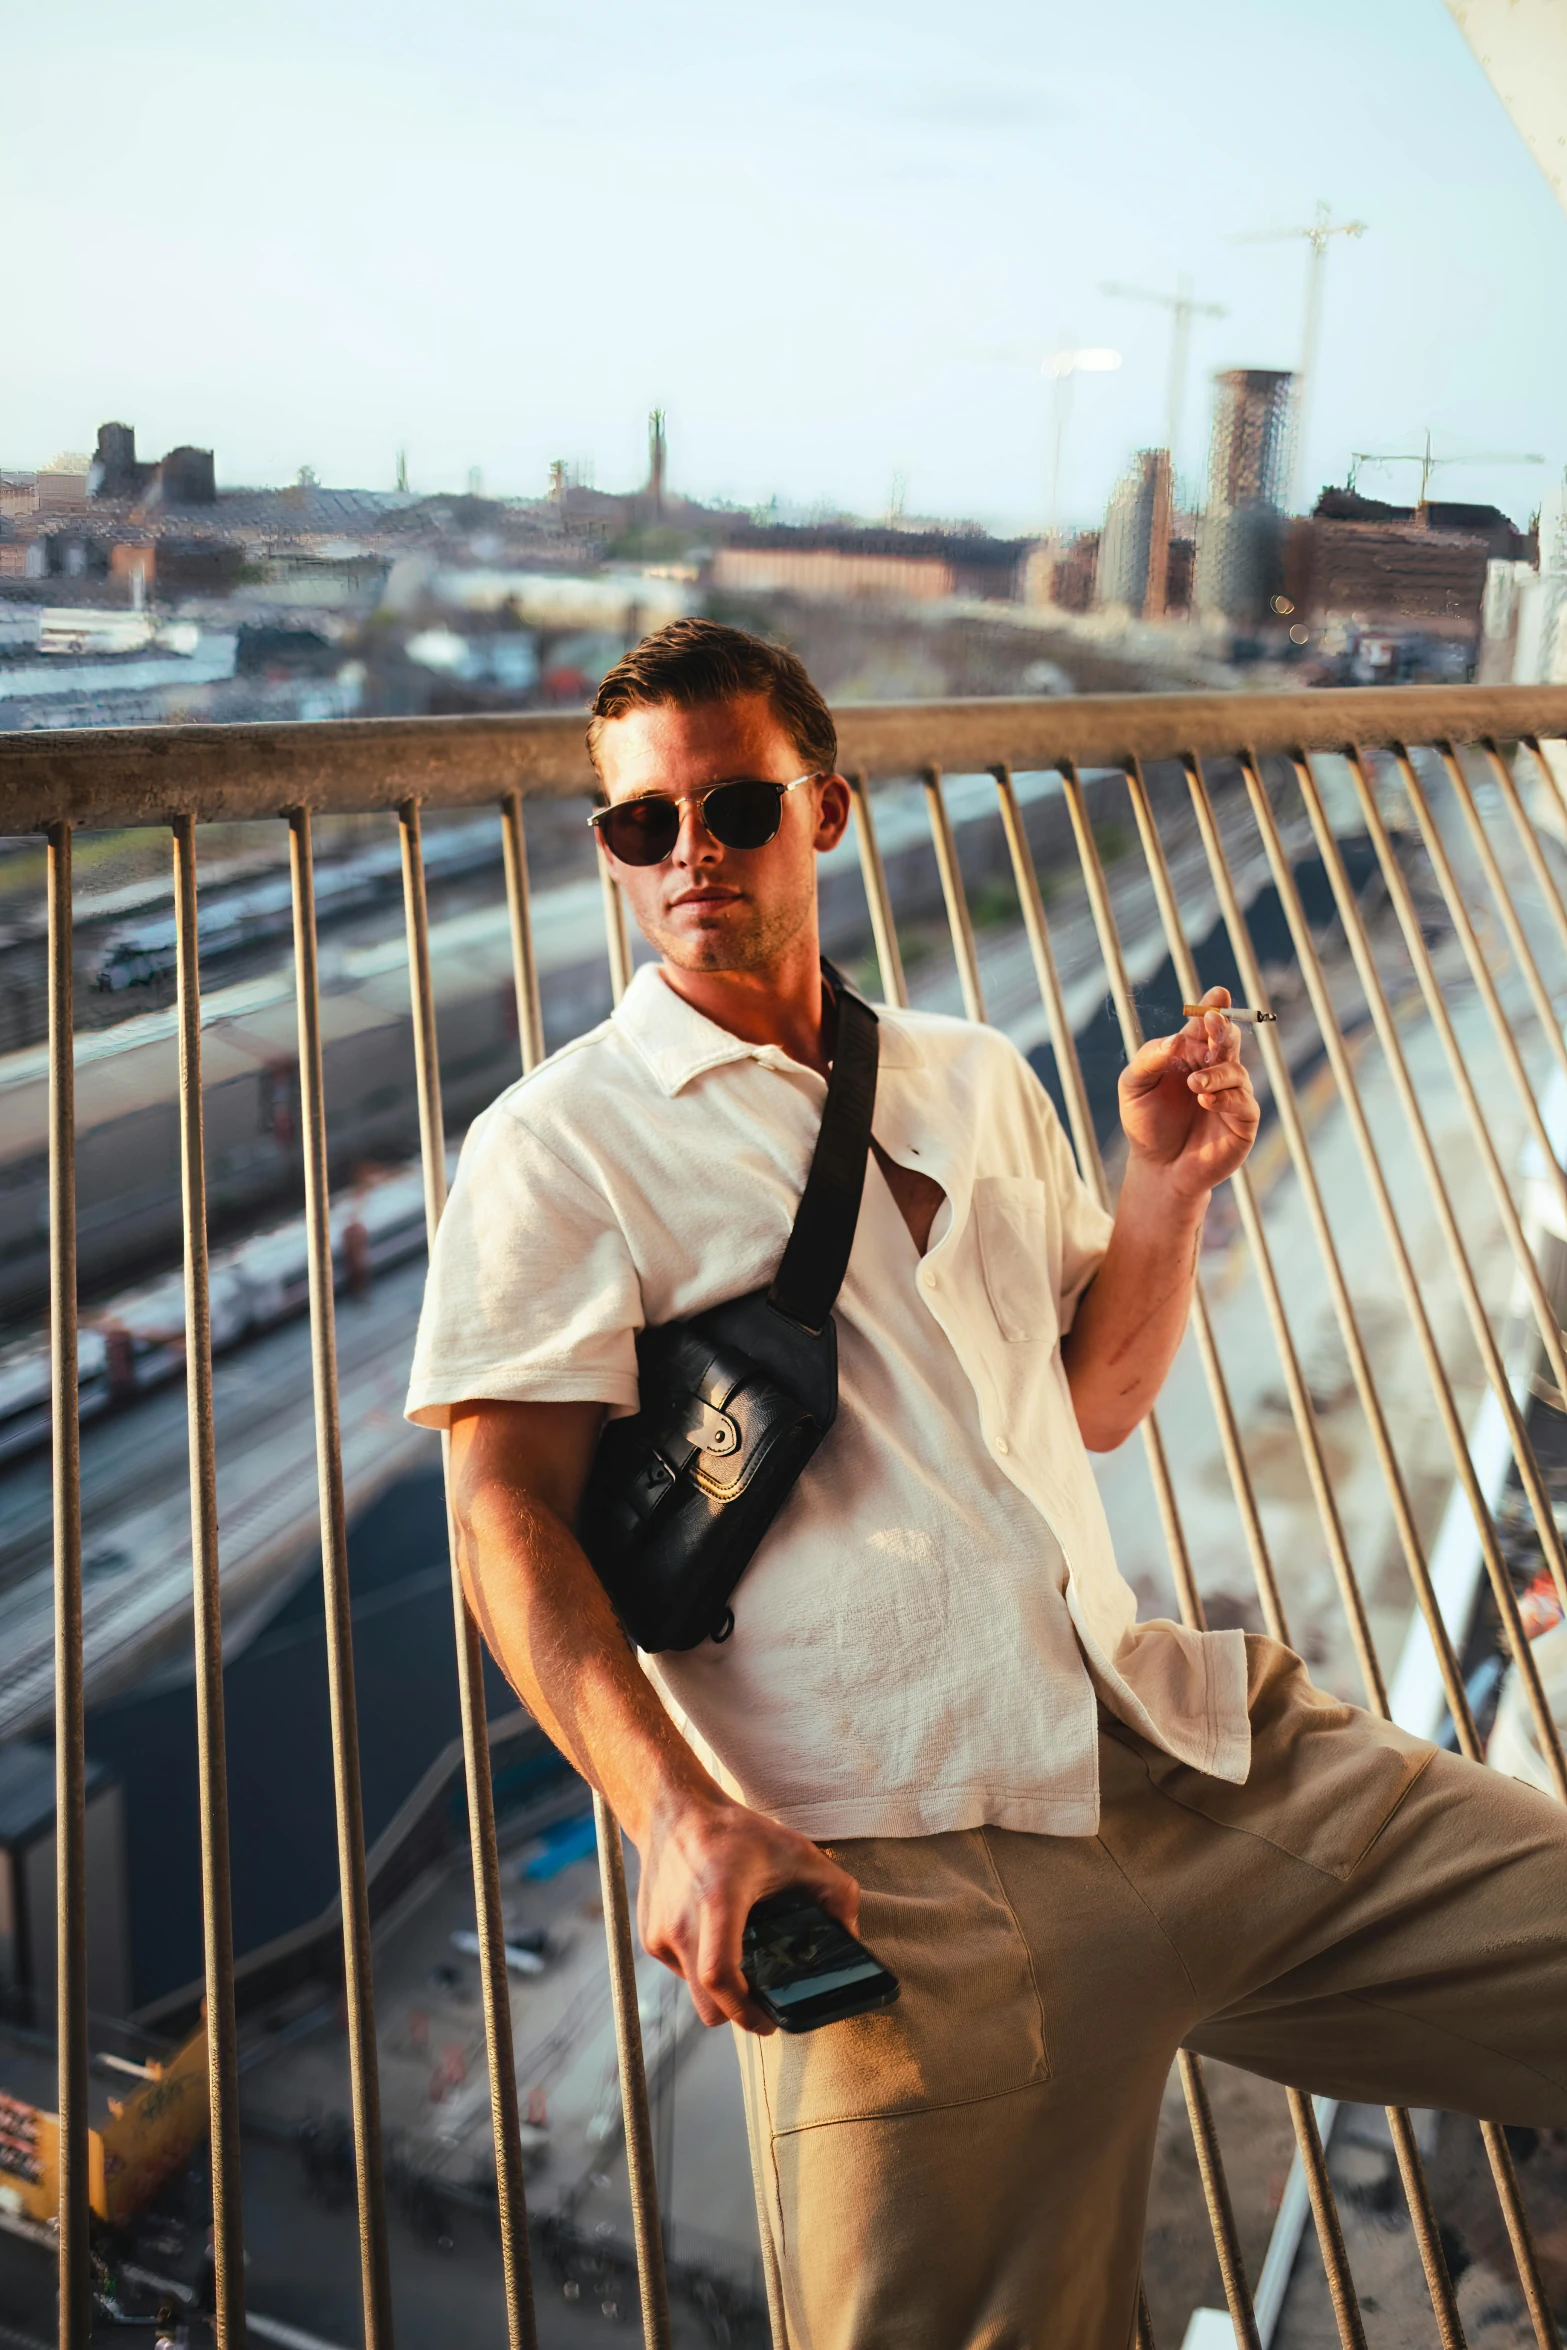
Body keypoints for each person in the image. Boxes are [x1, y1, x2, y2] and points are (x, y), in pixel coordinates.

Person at [407, 619, 1567, 2348]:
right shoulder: (556, 1146)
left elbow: (1096, 1395)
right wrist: (673, 1814)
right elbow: (503, 1518)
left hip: (1182, 1756)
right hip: (897, 1889)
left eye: (732, 806)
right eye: (643, 826)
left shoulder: (970, 1072)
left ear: (830, 810)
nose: (691, 855)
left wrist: (1162, 1190)